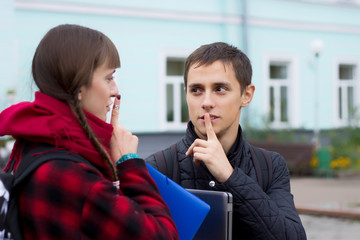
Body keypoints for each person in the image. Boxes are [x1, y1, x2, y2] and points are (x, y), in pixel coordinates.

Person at [0, 24, 179, 240]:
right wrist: (130, 163)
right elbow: (162, 235)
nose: (115, 90)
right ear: (79, 87)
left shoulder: (33, 142)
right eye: (109, 77)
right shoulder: (75, 177)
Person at [146, 42, 306, 239]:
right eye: (196, 90)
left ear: (246, 95)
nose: (206, 102)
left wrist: (230, 177)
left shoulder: (270, 166)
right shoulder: (159, 168)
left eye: (220, 89)